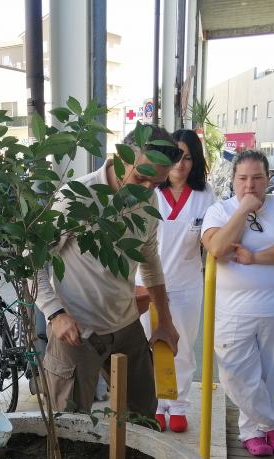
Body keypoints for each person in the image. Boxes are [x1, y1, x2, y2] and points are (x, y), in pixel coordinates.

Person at [35, 126, 181, 420]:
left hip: (127, 325)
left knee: (142, 418)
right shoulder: (77, 196)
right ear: (121, 156)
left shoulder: (148, 199)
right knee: (70, 426)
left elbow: (149, 261)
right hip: (77, 330)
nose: (147, 189)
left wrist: (165, 321)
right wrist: (55, 314)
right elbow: (32, 262)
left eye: (158, 183)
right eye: (140, 178)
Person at [201, 149, 274, 457]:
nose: (250, 185)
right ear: (233, 180)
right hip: (233, 308)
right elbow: (218, 248)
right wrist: (243, 210)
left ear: (268, 179)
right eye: (243, 178)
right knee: (235, 373)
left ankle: (254, 431)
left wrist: (256, 257)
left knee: (265, 377)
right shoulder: (220, 211)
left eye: (257, 178)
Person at [137, 129, 215, 432]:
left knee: (181, 344)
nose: (181, 165)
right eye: (176, 157)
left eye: (188, 158)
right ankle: (156, 404)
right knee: (149, 345)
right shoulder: (149, 191)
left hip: (186, 285)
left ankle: (179, 405)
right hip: (146, 282)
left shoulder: (206, 195)